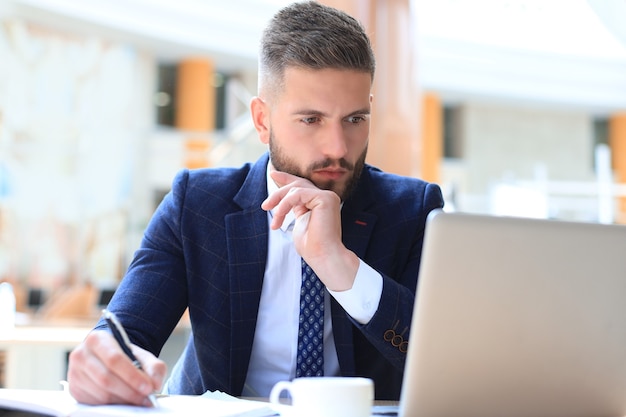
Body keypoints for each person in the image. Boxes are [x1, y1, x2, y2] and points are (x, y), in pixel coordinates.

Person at [67, 0, 444, 406]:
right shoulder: (196, 203)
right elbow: (126, 332)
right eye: (311, 119)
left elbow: (439, 359)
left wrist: (340, 265)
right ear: (262, 120)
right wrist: (102, 360)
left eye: (355, 119)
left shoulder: (412, 210)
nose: (338, 148)